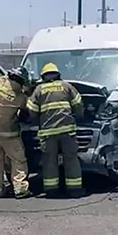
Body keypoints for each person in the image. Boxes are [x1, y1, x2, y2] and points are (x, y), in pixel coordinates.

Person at [27, 63, 85, 198]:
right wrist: (79, 117)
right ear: (58, 74)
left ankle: (51, 190)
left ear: (43, 76)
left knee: (49, 161)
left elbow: (32, 110)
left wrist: (36, 121)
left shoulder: (39, 90)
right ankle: (75, 190)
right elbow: (78, 104)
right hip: (67, 132)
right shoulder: (67, 86)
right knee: (71, 159)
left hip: (48, 133)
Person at [0, 67, 32, 199]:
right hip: (9, 134)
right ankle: (20, 189)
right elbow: (27, 107)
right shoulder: (18, 97)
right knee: (18, 160)